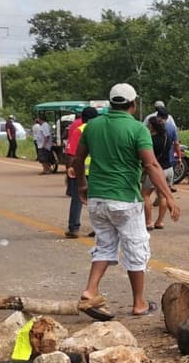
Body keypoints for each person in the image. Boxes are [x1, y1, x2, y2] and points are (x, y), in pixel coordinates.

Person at [74, 83, 179, 319]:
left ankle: (90, 290)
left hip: (97, 198)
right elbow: (151, 165)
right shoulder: (137, 129)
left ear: (111, 103)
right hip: (125, 200)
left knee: (104, 245)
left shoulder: (92, 126)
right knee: (136, 249)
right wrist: (169, 196)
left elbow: (77, 160)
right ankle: (139, 303)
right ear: (133, 103)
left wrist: (82, 185)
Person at [64, 107, 98, 238]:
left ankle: (74, 228)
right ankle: (98, 228)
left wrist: (70, 168)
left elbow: (71, 152)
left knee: (77, 199)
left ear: (82, 118)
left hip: (81, 170)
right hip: (97, 171)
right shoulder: (100, 130)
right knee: (96, 200)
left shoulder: (79, 130)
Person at [141, 114, 172, 230]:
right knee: (162, 196)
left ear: (151, 126)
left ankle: (149, 221)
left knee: (145, 195)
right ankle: (160, 221)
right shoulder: (167, 137)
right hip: (168, 168)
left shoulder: (150, 140)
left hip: (156, 170)